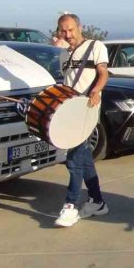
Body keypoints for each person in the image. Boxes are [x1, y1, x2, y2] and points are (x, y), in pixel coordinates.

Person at [54, 14, 109, 228]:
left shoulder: (96, 46)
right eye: (63, 31)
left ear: (79, 27)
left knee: (74, 159)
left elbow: (103, 73)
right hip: (71, 112)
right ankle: (97, 201)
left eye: (71, 30)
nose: (67, 35)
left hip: (88, 110)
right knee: (84, 157)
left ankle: (71, 205)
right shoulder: (63, 56)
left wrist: (96, 90)